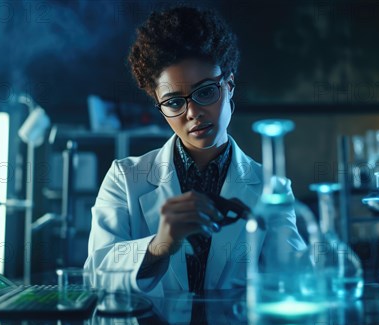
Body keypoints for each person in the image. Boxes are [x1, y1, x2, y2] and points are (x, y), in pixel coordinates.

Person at [84, 6, 305, 297]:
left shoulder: (271, 188)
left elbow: (296, 277)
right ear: (160, 108)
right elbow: (95, 276)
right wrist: (159, 245)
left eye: (205, 92)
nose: (193, 113)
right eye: (175, 102)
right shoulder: (125, 178)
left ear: (229, 86)